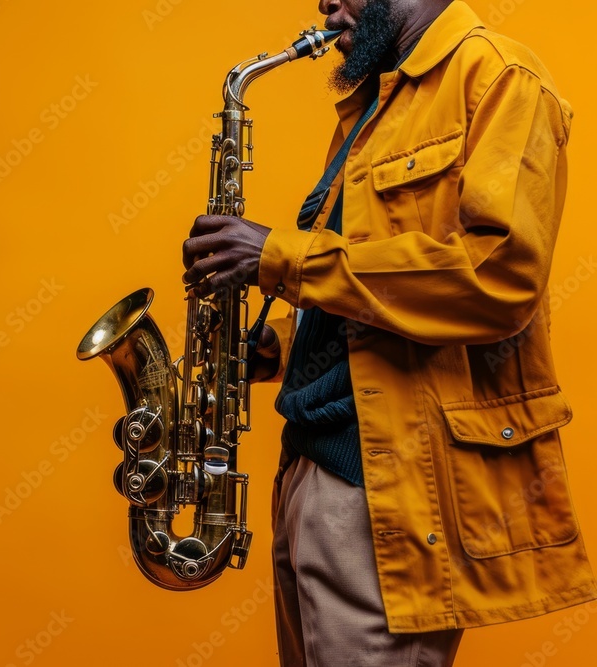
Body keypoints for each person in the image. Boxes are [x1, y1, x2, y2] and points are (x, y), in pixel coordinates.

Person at [181, 1, 597, 665]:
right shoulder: (374, 106)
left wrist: (279, 257)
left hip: (387, 497)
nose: (324, 5)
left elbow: (497, 280)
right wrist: (277, 346)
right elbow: (371, 293)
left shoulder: (500, 78)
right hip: (309, 476)